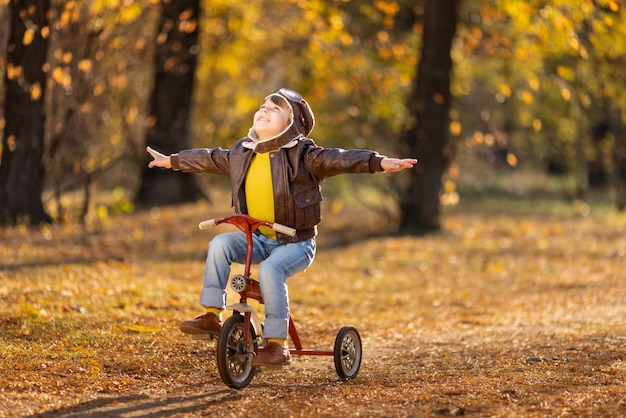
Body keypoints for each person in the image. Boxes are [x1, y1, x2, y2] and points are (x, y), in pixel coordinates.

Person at [146, 88, 416, 367]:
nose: (264, 110)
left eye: (275, 109)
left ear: (293, 124)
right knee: (219, 245)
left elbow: (341, 158)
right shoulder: (242, 152)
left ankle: (277, 344)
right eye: (263, 106)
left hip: (296, 243)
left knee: (271, 271)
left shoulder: (305, 156)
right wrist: (171, 161)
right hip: (260, 239)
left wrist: (379, 162)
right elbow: (209, 158)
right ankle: (212, 315)